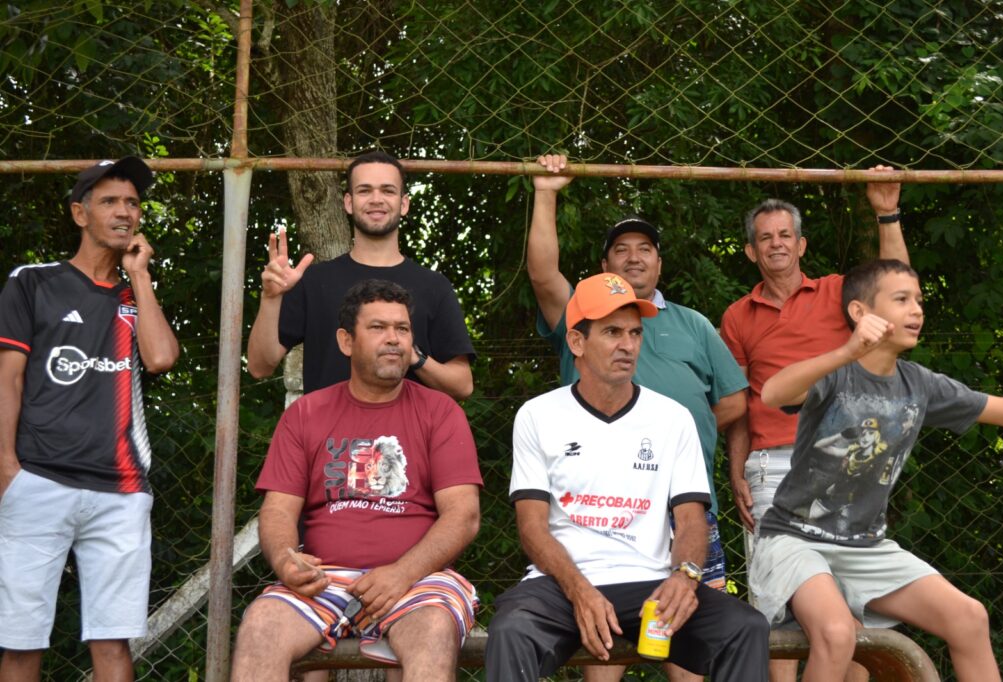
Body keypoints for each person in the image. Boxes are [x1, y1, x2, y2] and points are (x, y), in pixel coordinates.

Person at [484, 273, 769, 682]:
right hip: (561, 584)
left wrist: (685, 576)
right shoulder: (538, 415)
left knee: (746, 627)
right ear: (577, 342)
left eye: (635, 333)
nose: (629, 345)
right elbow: (531, 527)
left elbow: (691, 521)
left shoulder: (673, 418)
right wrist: (579, 591)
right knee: (511, 630)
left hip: (649, 580)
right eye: (612, 332)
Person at [528, 155, 748, 682]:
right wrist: (546, 193)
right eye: (621, 249)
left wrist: (677, 435)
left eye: (644, 248)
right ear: (605, 265)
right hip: (600, 512)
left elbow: (735, 401)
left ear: (659, 264)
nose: (633, 257)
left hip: (684, 511)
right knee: (604, 655)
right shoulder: (580, 314)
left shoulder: (693, 324)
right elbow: (542, 274)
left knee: (690, 654)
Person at [751, 259, 1003, 681]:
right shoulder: (835, 373)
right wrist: (847, 351)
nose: (917, 310)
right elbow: (772, 392)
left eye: (919, 301)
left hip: (866, 547)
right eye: (902, 299)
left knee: (969, 618)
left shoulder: (920, 384)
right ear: (860, 312)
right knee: (837, 634)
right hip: (793, 540)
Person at [231, 279, 482, 682]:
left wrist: (402, 573)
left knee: (433, 630)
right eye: (378, 327)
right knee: (261, 626)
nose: (394, 339)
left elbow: (463, 516)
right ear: (346, 342)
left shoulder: (441, 412)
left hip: (419, 580)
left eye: (402, 329)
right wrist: (286, 561)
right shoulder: (306, 414)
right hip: (324, 579)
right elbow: (277, 510)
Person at [720, 173, 906, 681]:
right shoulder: (737, 317)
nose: (776, 244)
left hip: (844, 462)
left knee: (850, 610)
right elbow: (739, 406)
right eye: (765, 238)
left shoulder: (836, 293)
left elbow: (897, 291)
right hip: (771, 467)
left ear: (801, 245)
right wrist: (737, 471)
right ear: (751, 251)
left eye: (785, 235)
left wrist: (886, 213)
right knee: (778, 609)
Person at [0, 157, 179, 681]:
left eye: (132, 203)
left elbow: (161, 358)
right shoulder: (33, 283)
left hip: (120, 492)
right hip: (38, 481)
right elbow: (8, 380)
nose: (125, 212)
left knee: (113, 643)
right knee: (20, 643)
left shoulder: (135, 294)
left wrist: (139, 276)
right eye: (109, 202)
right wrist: (7, 468)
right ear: (80, 214)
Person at [247, 150, 475, 399]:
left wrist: (413, 356)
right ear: (348, 202)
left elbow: (462, 386)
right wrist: (271, 298)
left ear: (404, 204)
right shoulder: (314, 281)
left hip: (407, 426)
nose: (376, 199)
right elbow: (259, 367)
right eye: (365, 190)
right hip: (330, 425)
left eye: (387, 191)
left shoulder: (434, 286)